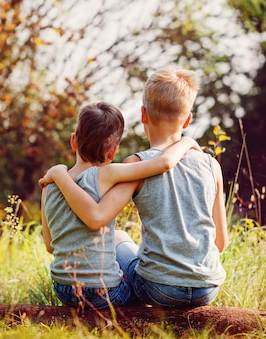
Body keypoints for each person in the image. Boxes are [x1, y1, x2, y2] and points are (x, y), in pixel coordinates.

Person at [40, 68, 229, 307]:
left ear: (143, 115)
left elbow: (95, 216)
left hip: (157, 290)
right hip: (207, 288)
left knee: (119, 239)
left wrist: (59, 173)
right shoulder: (212, 165)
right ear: (188, 119)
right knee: (121, 239)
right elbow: (220, 244)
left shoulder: (137, 164)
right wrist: (189, 141)